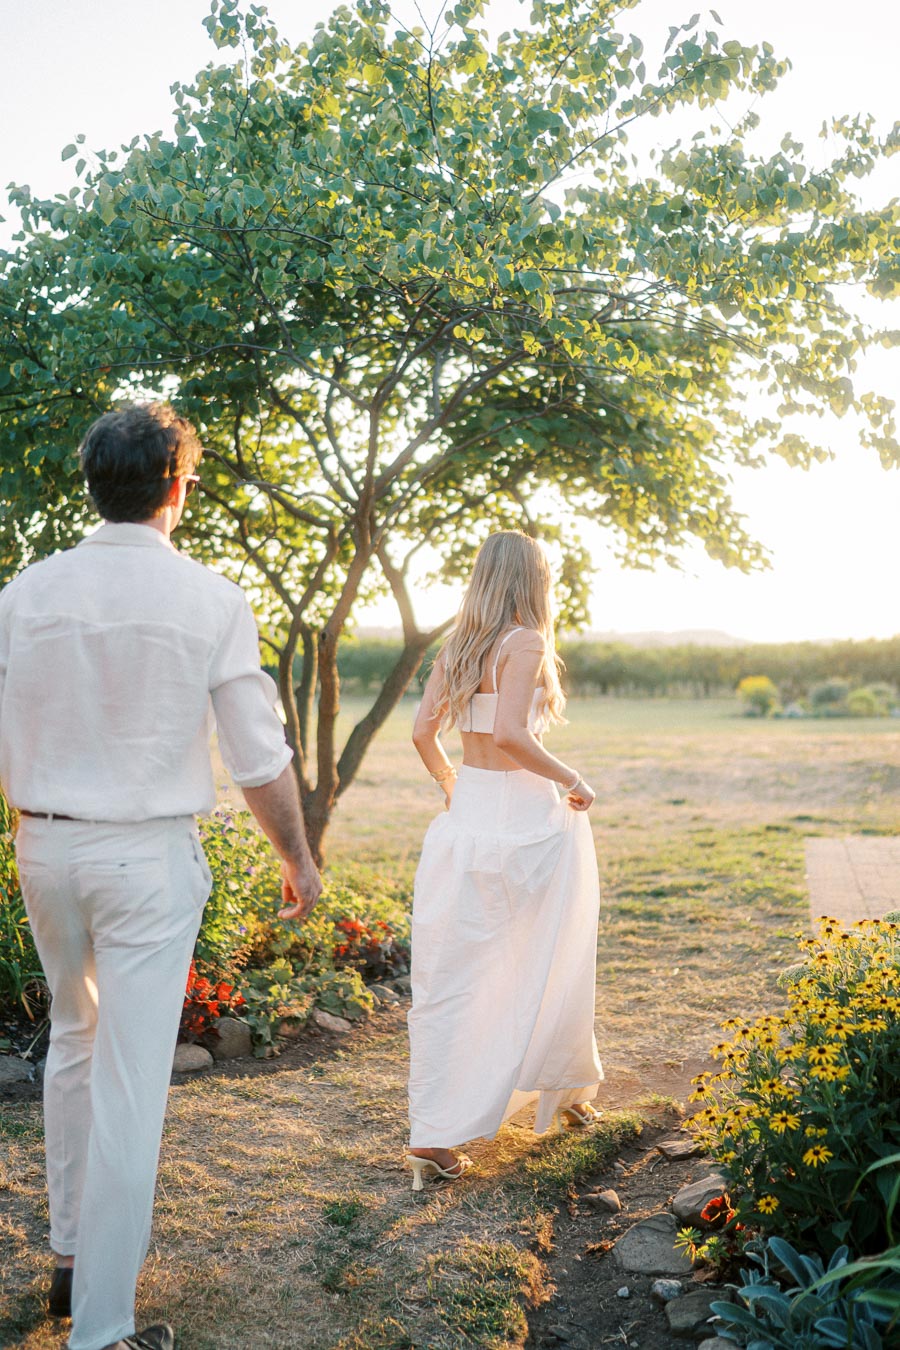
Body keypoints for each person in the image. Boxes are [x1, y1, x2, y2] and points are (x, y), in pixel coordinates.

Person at [0, 403, 321, 1350]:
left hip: (45, 848)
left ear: (92, 484)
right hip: (143, 857)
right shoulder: (211, 599)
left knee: (73, 1039)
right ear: (178, 488)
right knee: (131, 1084)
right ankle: (102, 1328)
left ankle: (68, 1256)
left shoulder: (23, 594)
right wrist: (297, 858)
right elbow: (259, 756)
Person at [406, 530, 603, 1189]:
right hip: (525, 823)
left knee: (458, 976)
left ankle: (437, 1134)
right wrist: (573, 778)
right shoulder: (525, 642)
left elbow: (422, 732)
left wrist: (451, 784)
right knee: (550, 955)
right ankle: (562, 1089)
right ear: (533, 578)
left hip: (467, 824)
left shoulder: (459, 646)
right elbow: (514, 735)